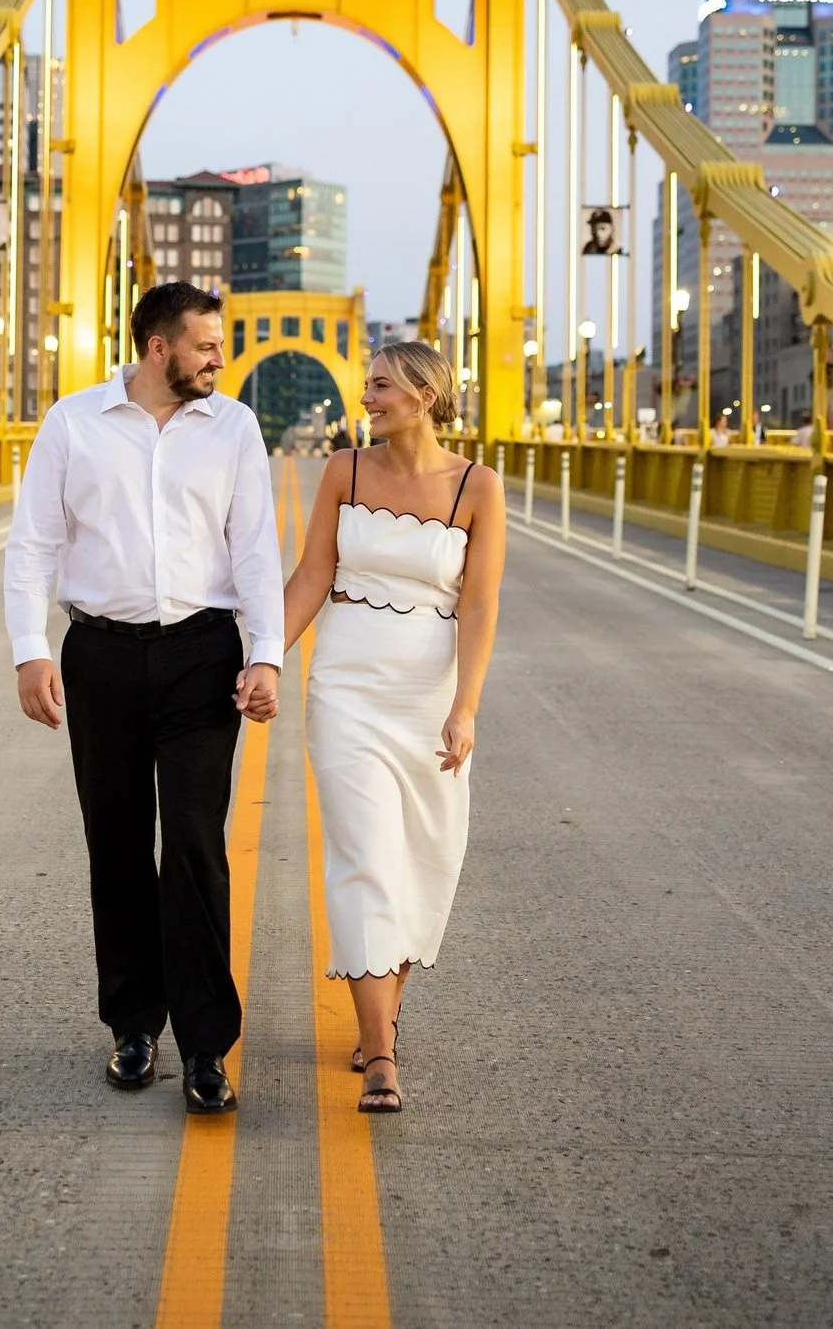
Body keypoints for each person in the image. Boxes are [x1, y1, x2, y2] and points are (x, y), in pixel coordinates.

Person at [3, 281, 284, 1116]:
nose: (220, 358)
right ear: (159, 347)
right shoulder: (73, 423)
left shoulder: (233, 427)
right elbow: (33, 543)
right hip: (101, 657)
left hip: (202, 655)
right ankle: (132, 1027)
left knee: (195, 846)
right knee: (116, 843)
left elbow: (256, 547)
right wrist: (27, 650)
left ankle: (205, 1046)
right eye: (205, 345)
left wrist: (266, 655)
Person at [281, 342, 506, 1115]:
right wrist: (259, 656)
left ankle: (383, 1005)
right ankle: (380, 1051)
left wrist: (466, 705)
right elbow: (312, 573)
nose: (367, 396)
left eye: (380, 385)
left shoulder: (478, 486)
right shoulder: (342, 471)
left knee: (425, 863)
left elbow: (479, 605)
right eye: (367, 384)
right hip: (347, 688)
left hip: (429, 697)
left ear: (424, 392)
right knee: (367, 857)